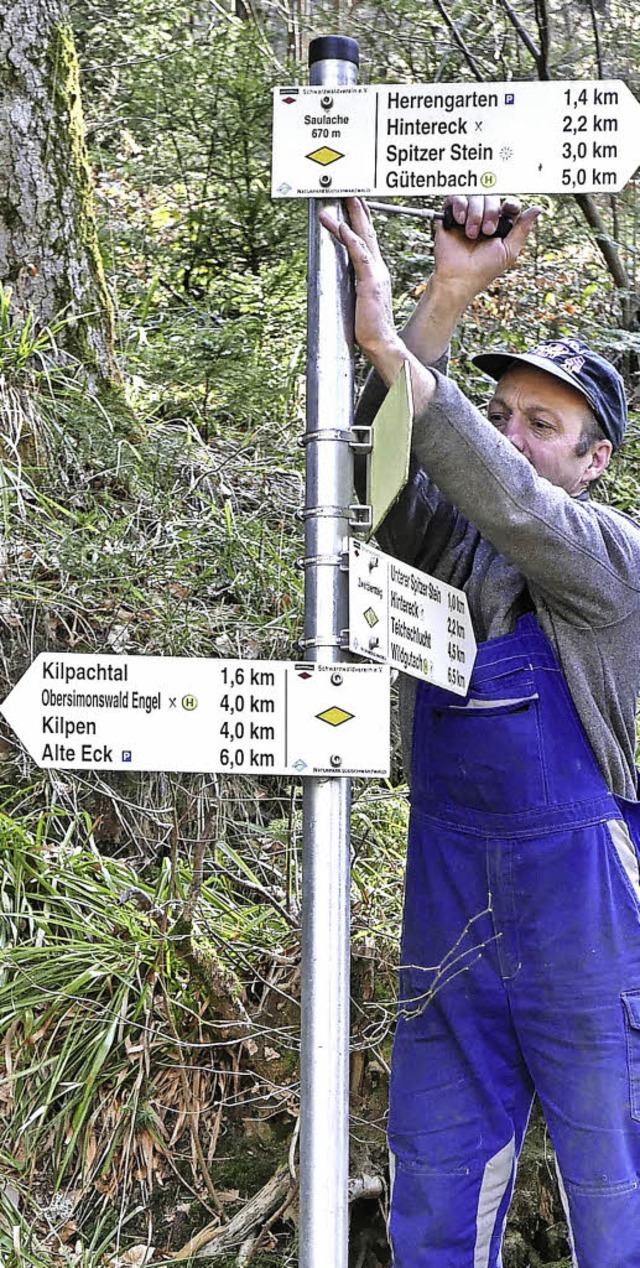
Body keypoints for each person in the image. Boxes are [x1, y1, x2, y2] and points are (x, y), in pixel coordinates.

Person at [319, 195, 640, 1268]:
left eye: (540, 425)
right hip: (449, 900)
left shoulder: (609, 558)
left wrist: (394, 351)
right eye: (498, 413)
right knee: (439, 1172)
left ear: (595, 461)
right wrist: (442, 296)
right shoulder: (441, 548)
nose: (508, 436)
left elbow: (514, 505)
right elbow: (387, 467)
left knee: (618, 1188)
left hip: (591, 926)